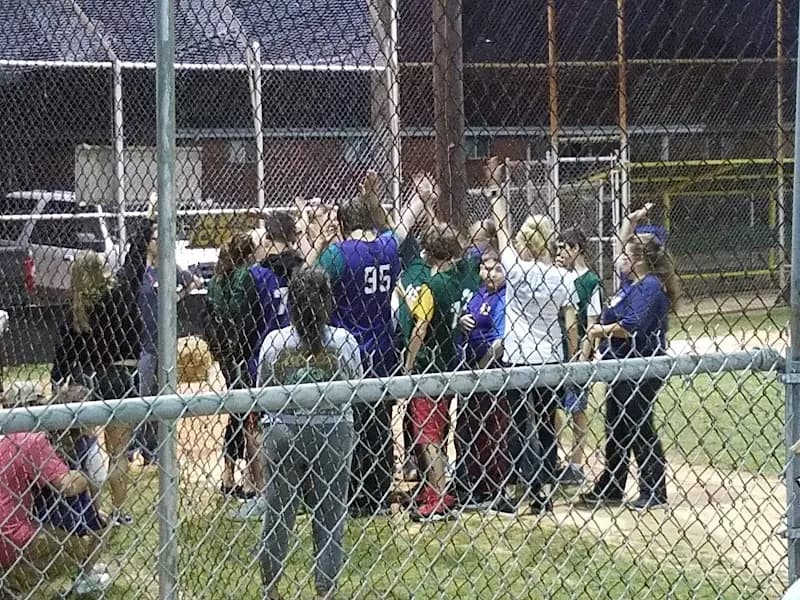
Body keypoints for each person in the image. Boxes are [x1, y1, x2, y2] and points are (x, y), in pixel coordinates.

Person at [316, 171, 426, 517]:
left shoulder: (337, 254)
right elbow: (406, 222)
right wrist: (419, 196)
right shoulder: (386, 247)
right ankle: (377, 493)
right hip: (382, 347)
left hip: (347, 350)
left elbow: (313, 284)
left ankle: (352, 494)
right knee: (379, 423)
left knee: (348, 423)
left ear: (342, 223)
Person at [256, 268, 362, 600]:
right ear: (329, 300)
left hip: (284, 430)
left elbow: (263, 389)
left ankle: (271, 590)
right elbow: (355, 387)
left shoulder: (275, 341)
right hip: (333, 430)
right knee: (330, 516)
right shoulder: (344, 341)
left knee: (278, 512)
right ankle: (325, 592)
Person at [50, 201, 155, 526]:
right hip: (122, 376)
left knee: (89, 451)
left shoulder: (77, 313)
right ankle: (121, 510)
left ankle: (95, 511)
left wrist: (60, 382)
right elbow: (135, 258)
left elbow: (61, 364)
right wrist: (147, 219)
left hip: (91, 382)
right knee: (118, 452)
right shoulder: (120, 294)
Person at [488, 156, 578, 513]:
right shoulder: (564, 278)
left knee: (516, 424)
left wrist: (498, 187)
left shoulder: (517, 270)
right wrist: (572, 360)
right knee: (544, 423)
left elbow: (500, 226)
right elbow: (570, 324)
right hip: (551, 357)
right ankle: (542, 491)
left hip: (521, 357)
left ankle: (517, 491)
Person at [580, 229, 680, 512]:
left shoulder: (648, 286)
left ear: (638, 260)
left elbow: (631, 325)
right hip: (620, 367)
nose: (620, 256)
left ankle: (654, 489)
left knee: (639, 426)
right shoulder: (631, 283)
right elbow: (621, 242)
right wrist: (632, 222)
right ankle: (612, 486)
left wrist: (600, 330)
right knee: (616, 427)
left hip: (642, 367)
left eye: (627, 253)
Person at [399, 221, 481, 521]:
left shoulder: (430, 287)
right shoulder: (457, 281)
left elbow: (421, 326)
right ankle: (429, 487)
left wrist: (408, 363)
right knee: (433, 429)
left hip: (429, 367)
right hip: (449, 361)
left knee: (427, 434)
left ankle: (438, 494)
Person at [0, 389, 109, 595]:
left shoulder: (6, 436)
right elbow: (67, 485)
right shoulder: (32, 440)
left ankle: (14, 582)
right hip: (10, 537)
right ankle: (76, 580)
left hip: (11, 529)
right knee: (78, 543)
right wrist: (84, 477)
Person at [232, 214, 304, 520]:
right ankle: (298, 491)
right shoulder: (301, 269)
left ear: (269, 239)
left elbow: (246, 324)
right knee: (296, 423)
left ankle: (265, 495)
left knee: (258, 427)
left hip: (263, 355)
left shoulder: (256, 275)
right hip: (298, 355)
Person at [132, 218, 200, 464]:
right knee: (142, 397)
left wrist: (177, 296)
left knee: (163, 398)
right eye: (155, 239)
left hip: (165, 343)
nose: (159, 243)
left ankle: (156, 451)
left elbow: (194, 281)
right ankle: (134, 448)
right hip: (144, 343)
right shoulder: (141, 269)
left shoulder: (170, 267)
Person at [455, 250, 515, 513]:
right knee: (466, 429)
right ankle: (470, 481)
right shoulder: (480, 293)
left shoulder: (505, 297)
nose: (489, 274)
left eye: (496, 269)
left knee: (491, 431)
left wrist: (480, 370)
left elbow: (500, 342)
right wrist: (461, 322)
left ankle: (491, 487)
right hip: (470, 370)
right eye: (484, 268)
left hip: (490, 372)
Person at [204, 232, 263, 501]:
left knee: (236, 411)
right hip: (243, 350)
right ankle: (250, 478)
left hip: (226, 353)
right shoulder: (245, 277)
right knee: (247, 414)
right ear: (247, 255)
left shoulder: (215, 281)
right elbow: (249, 316)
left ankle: (228, 472)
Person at [553, 228, 603, 486]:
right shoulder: (557, 277)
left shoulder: (590, 282)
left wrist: (582, 356)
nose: (559, 253)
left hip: (577, 351)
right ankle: (556, 456)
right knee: (552, 407)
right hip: (555, 350)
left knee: (577, 409)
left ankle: (576, 461)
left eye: (565, 248)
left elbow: (591, 323)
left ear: (577, 249)